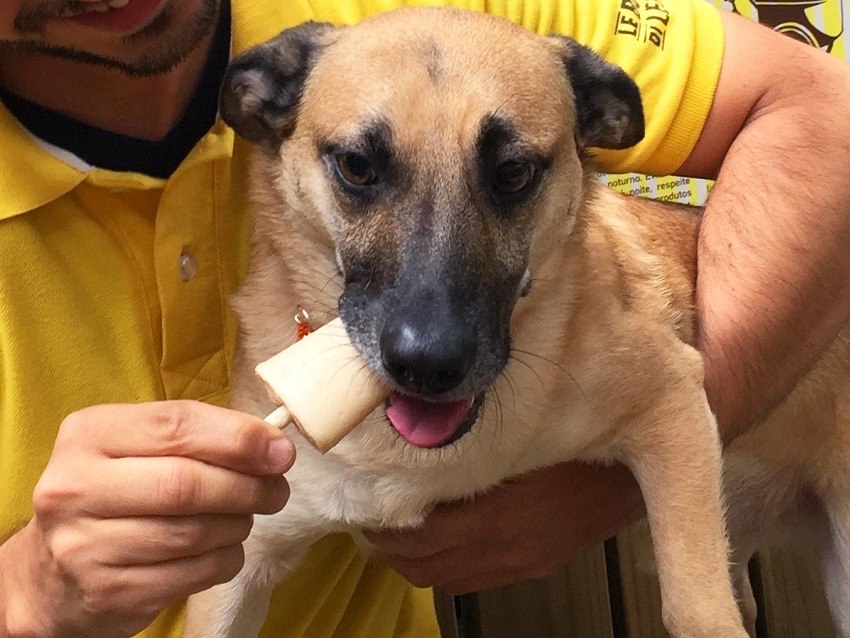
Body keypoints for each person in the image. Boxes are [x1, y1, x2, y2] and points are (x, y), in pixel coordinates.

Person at [0, 0, 848, 636]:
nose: (429, 345)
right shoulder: (307, 113)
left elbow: (824, 113)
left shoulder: (480, 36)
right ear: (266, 125)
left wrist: (603, 497)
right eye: (361, 169)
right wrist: (25, 591)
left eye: (510, 174)